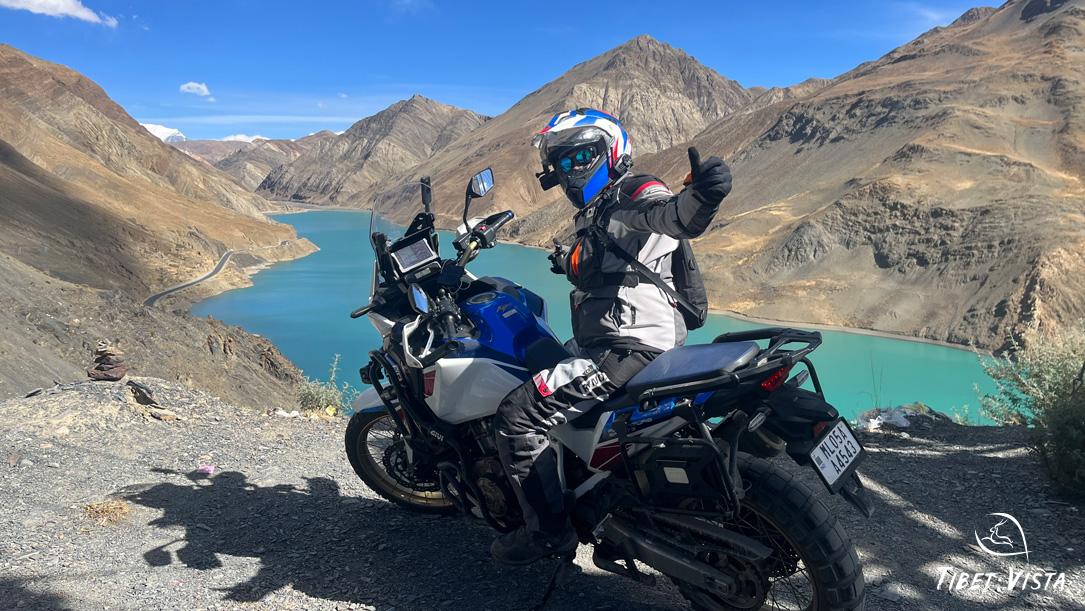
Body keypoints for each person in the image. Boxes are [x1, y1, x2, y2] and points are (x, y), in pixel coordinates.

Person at [491, 108, 732, 565]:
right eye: (562, 163)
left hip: (626, 350)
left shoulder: (632, 193)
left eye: (581, 156)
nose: (571, 170)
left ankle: (549, 533)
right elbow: (616, 259)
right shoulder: (601, 210)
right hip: (619, 344)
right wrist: (568, 262)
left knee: (519, 415)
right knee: (551, 377)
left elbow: (668, 216)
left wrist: (704, 197)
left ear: (609, 152)